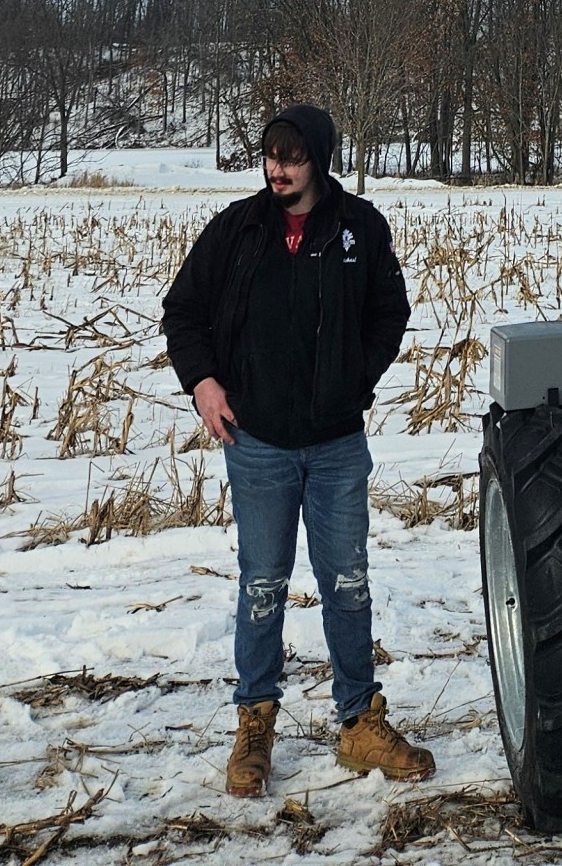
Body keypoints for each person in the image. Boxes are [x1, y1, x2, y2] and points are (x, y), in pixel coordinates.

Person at [161, 105, 430, 798]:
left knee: (347, 583)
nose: (277, 169)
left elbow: (389, 311)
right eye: (270, 156)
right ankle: (255, 723)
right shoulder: (237, 232)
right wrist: (204, 384)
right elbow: (183, 311)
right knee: (262, 584)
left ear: (320, 159)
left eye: (292, 157)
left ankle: (358, 722)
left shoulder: (359, 229)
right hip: (258, 444)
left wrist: (355, 377)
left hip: (337, 444)